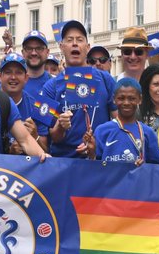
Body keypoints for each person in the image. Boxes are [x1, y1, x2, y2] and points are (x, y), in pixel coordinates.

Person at [41, 20, 116, 158]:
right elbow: (50, 137)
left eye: (79, 40)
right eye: (69, 40)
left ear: (87, 47)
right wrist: (60, 127)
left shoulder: (106, 80)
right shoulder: (50, 87)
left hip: (99, 162)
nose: (75, 43)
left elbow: (120, 123)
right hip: (65, 164)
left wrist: (98, 143)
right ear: (62, 47)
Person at [90, 77, 159, 165]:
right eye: (121, 98)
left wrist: (144, 168)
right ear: (114, 99)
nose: (126, 103)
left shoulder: (148, 133)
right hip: (109, 179)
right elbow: (94, 168)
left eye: (132, 98)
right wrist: (91, 153)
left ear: (140, 99)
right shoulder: (102, 131)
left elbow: (156, 169)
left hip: (138, 179)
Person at [0, 53, 47, 153]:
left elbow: (46, 151)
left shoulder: (37, 106)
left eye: (19, 72)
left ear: (26, 78)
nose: (13, 77)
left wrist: (35, 136)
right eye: (8, 72)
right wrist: (9, 152)